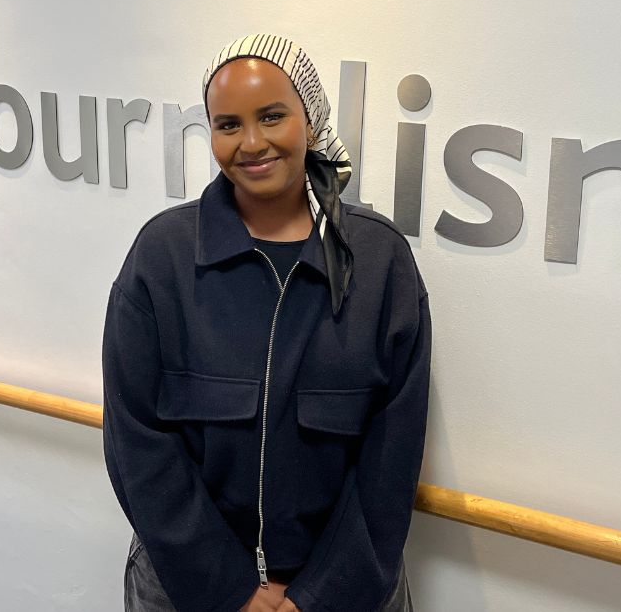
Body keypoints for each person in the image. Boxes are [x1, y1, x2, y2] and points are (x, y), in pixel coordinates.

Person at [102, 33, 431, 612]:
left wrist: (319, 595)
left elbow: (391, 454)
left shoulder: (379, 262)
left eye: (272, 116)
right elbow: (137, 442)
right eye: (228, 124)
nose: (251, 143)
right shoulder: (163, 257)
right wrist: (231, 591)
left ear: (310, 120)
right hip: (189, 586)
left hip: (344, 591)